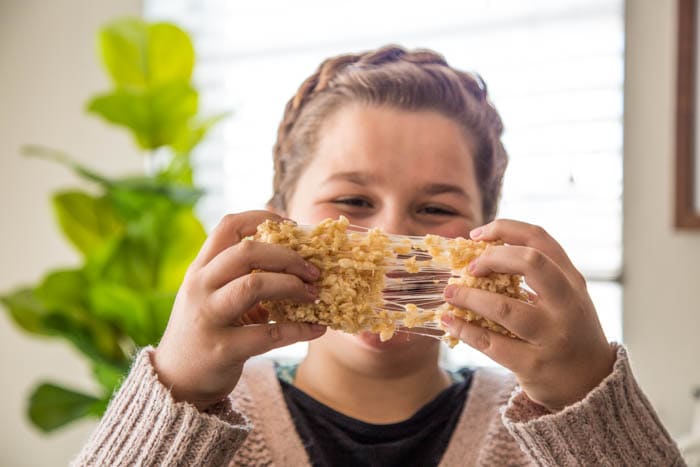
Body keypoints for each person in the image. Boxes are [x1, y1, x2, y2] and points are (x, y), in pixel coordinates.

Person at [73, 46, 685, 466]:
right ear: (279, 219)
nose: (390, 242)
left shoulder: (545, 434)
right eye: (351, 200)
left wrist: (588, 397)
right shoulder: (204, 424)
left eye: (437, 211)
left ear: (487, 235)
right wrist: (177, 391)